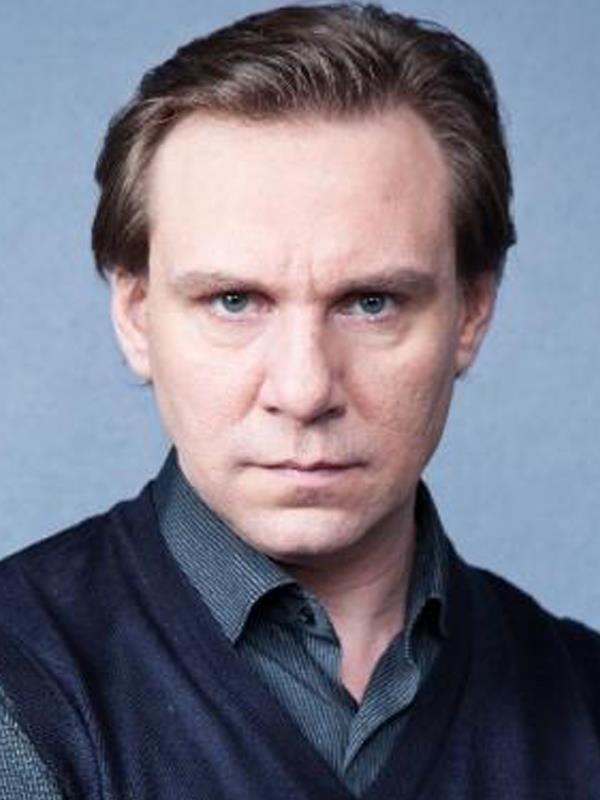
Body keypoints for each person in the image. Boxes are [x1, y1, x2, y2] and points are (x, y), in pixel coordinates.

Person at [0, 3, 599, 798]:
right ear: (137, 316)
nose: (304, 389)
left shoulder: (584, 700)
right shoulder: (20, 689)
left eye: (372, 302)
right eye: (234, 302)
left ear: (472, 312)